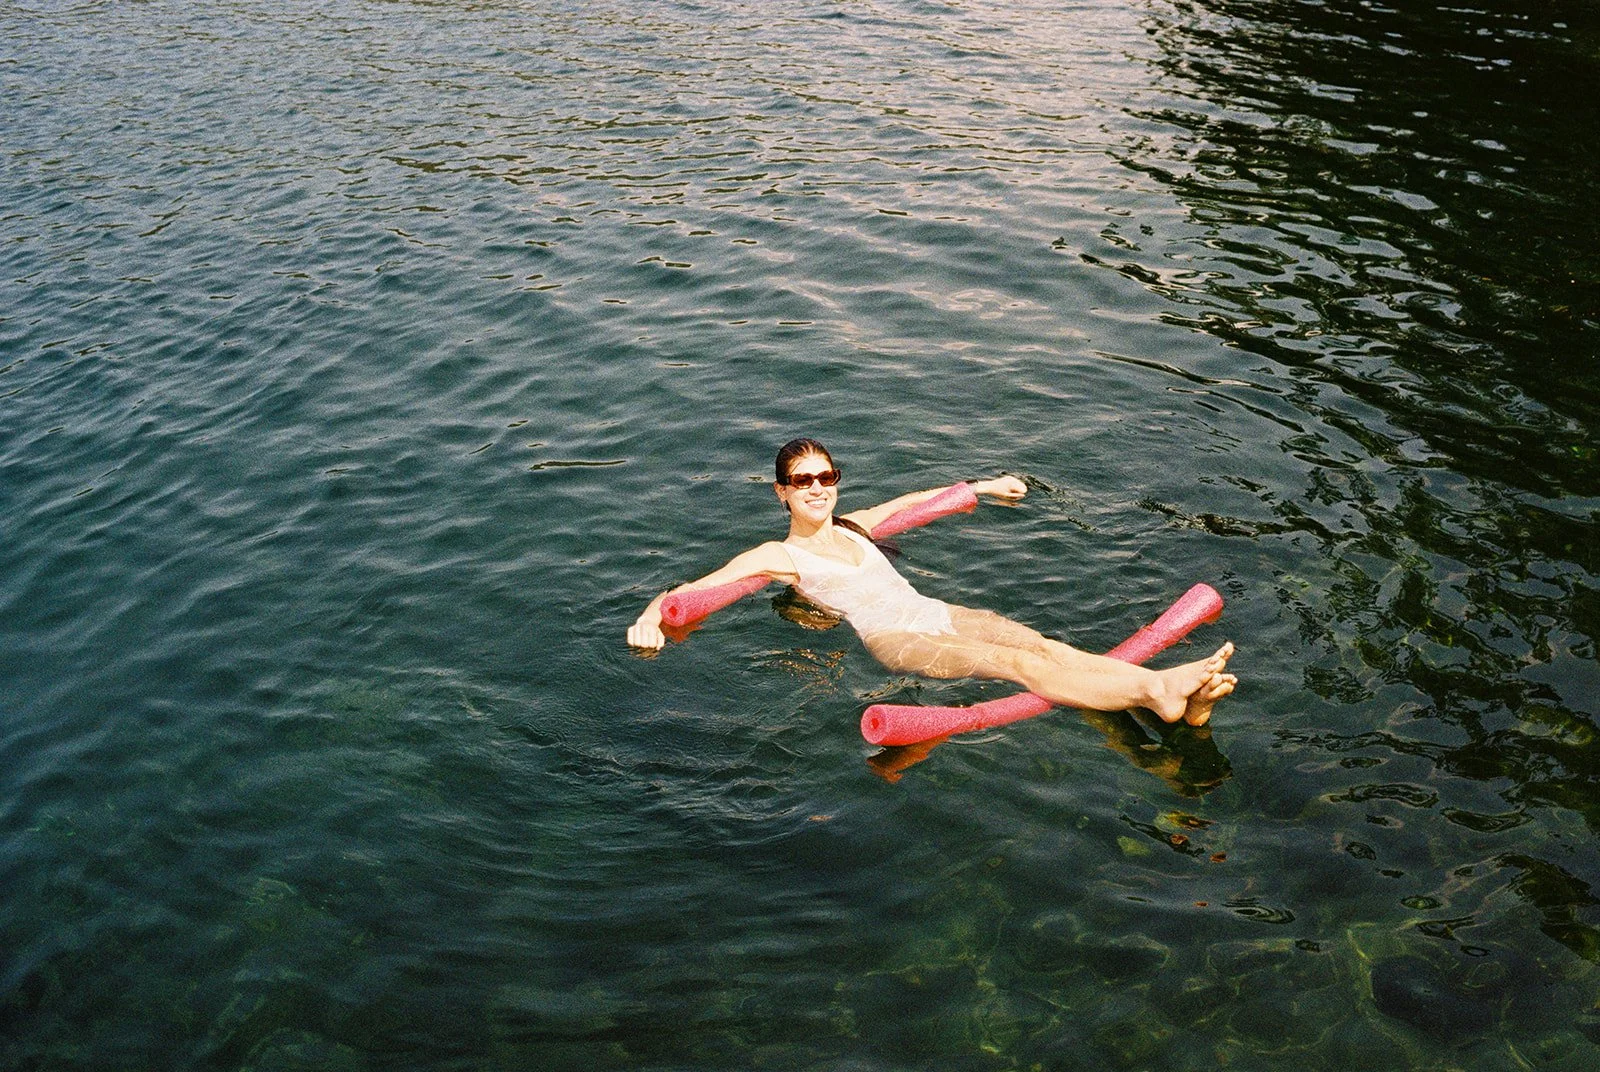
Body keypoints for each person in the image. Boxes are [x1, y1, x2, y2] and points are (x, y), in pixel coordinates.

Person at [628, 438, 1236, 725]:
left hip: (936, 612)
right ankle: (1155, 690)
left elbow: (914, 501)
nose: (817, 488)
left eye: (826, 476)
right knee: (1017, 665)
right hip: (895, 640)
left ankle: (1182, 704)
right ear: (781, 491)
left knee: (1044, 646)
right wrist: (650, 618)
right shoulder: (779, 555)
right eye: (802, 480)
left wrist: (984, 487)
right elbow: (692, 587)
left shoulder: (855, 525)